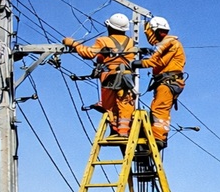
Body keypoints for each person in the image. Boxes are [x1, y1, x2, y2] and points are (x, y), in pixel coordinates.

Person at [63, 13, 137, 137]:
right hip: (127, 77)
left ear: (109, 27)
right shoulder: (131, 42)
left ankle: (115, 130)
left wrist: (73, 44)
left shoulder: (103, 41)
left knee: (109, 106)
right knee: (125, 103)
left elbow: (88, 53)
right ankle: (124, 131)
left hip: (110, 77)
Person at [132, 16, 186, 150]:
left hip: (168, 82)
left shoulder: (169, 43)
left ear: (158, 31)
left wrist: (137, 63)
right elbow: (154, 41)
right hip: (168, 82)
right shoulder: (166, 41)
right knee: (158, 110)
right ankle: (157, 137)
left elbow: (157, 61)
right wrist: (145, 25)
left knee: (159, 110)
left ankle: (158, 139)